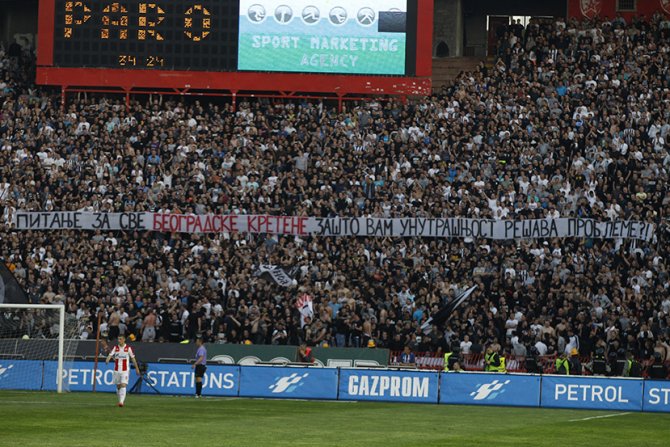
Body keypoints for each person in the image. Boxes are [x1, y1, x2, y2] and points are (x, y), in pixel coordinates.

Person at [105, 334, 141, 407]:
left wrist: (137, 368)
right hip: (116, 370)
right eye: (118, 339)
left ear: (124, 339)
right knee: (118, 387)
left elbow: (133, 359)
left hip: (125, 370)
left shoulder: (128, 348)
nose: (119, 341)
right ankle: (120, 400)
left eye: (120, 339)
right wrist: (107, 359)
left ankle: (121, 402)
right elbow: (110, 354)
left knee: (123, 385)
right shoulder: (115, 348)